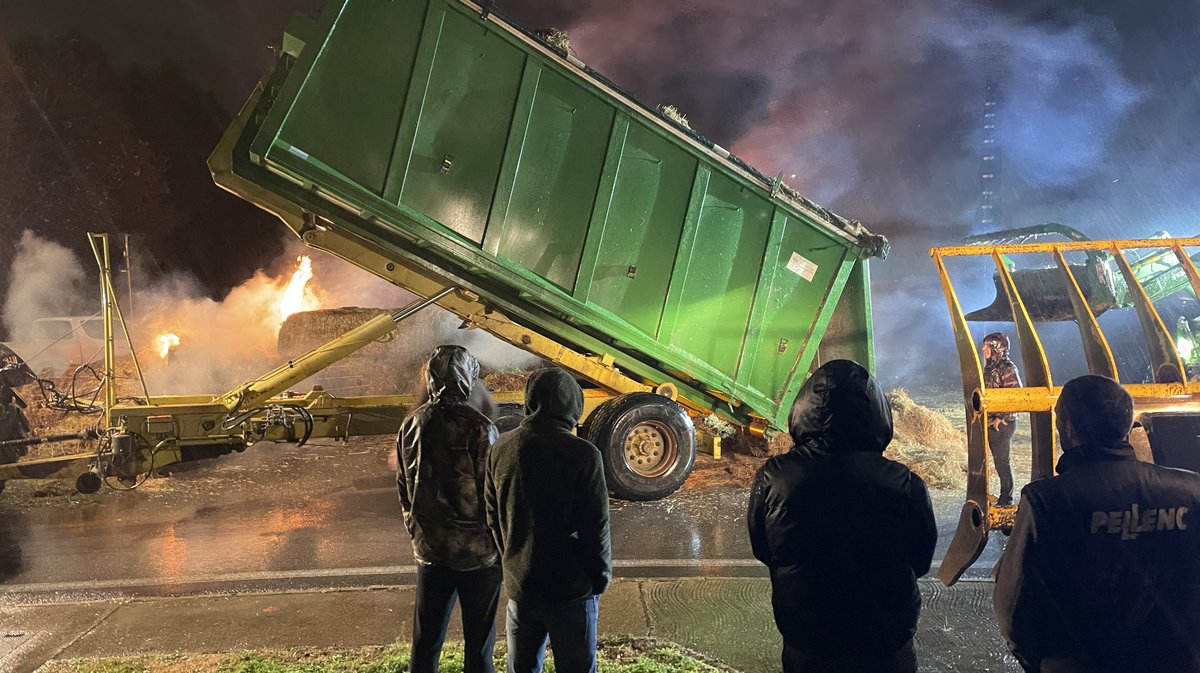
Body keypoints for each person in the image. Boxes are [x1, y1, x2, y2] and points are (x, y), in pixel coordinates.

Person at [995, 375, 1200, 672]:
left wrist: (1040, 662)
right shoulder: (1191, 490)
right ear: (1126, 425)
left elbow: (1014, 607)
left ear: (1068, 429)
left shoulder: (1047, 501)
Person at [748, 359, 937, 673]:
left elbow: (763, 549)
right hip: (885, 640)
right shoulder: (904, 484)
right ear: (876, 412)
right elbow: (920, 559)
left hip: (808, 641)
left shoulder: (773, 477)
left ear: (802, 410)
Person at [484, 368, 611, 673]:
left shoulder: (500, 448)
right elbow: (596, 526)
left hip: (521, 586)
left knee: (522, 667)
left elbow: (492, 517)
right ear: (573, 406)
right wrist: (600, 576)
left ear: (530, 401)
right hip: (571, 589)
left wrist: (511, 562)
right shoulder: (584, 455)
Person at [397, 345, 501, 673]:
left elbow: (403, 484)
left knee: (426, 640)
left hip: (431, 550)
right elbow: (491, 493)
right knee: (479, 643)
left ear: (430, 377)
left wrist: (415, 528)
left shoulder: (412, 425)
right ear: (468, 378)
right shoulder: (482, 428)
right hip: (479, 555)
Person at [983, 332, 1021, 505]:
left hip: (1002, 425)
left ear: (996, 348)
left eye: (987, 346)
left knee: (1002, 462)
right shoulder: (990, 367)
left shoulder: (1008, 368)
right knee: (996, 462)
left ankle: (1006, 499)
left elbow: (1016, 395)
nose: (983, 349)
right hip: (990, 421)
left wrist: (1002, 417)